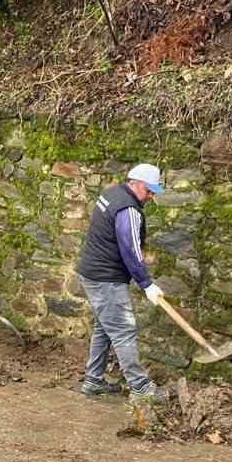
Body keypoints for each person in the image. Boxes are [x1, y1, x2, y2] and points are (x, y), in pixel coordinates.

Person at [75, 162, 168, 402]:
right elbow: (131, 250)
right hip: (106, 278)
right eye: (149, 191)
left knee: (104, 328)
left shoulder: (111, 193)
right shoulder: (129, 210)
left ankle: (93, 381)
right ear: (135, 183)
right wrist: (146, 283)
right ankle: (141, 388)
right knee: (124, 330)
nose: (150, 197)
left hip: (92, 273)